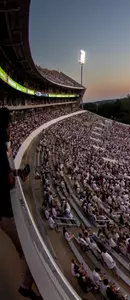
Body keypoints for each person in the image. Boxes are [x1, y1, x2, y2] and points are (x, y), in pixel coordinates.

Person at [0, 107, 39, 299]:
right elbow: (7, 181)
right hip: (5, 213)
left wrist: (16, 172)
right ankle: (25, 286)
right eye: (8, 125)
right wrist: (13, 175)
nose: (10, 128)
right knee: (28, 251)